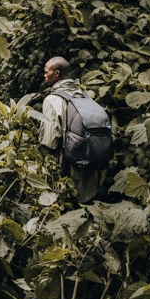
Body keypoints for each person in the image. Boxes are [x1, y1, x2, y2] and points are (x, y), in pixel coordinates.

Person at [39, 56, 101, 203]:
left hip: (66, 176)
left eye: (46, 71)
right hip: (89, 173)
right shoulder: (85, 96)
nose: (44, 75)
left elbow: (49, 142)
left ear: (57, 73)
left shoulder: (53, 100)